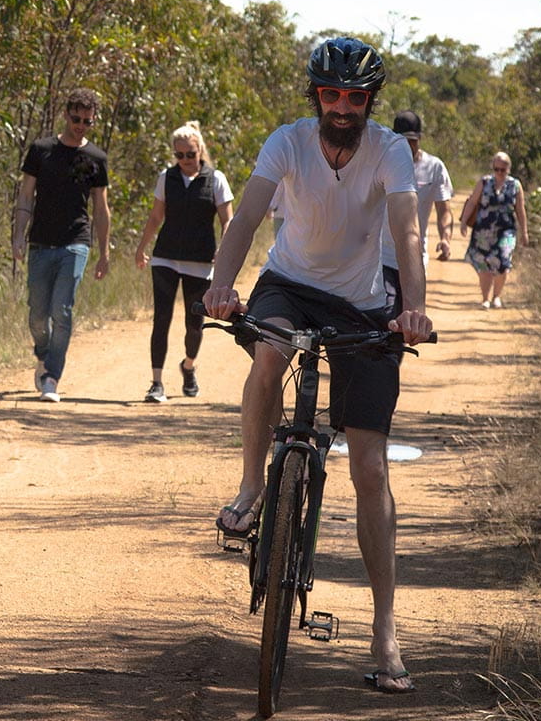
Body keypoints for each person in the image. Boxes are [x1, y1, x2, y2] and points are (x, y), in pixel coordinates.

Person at [202, 37, 434, 695]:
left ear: (369, 102)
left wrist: (412, 307)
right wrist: (222, 284)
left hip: (363, 304)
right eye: (330, 94)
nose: (341, 107)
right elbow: (246, 216)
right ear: (315, 96)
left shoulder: (389, 150)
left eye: (354, 97)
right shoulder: (289, 141)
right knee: (268, 355)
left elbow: (407, 230)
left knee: (368, 467)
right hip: (289, 283)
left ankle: (385, 632)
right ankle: (251, 489)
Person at [13, 87, 111, 402]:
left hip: (76, 242)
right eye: (76, 118)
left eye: (87, 121)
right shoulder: (41, 150)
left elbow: (101, 208)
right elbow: (26, 196)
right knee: (37, 314)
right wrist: (18, 234)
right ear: (66, 114)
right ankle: (43, 354)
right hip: (40, 241)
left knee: (62, 310)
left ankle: (52, 376)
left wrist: (104, 251)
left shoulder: (96, 158)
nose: (81, 124)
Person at [131, 121, 234, 402]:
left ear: (199, 150)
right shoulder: (167, 177)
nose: (185, 161)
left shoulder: (216, 180)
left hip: (200, 261)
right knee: (161, 319)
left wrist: (224, 250)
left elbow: (228, 221)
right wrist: (142, 247)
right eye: (179, 155)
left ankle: (188, 366)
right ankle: (156, 383)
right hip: (165, 258)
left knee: (194, 324)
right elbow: (155, 217)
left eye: (190, 154)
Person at [381, 110, 455, 314]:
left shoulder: (434, 167)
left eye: (412, 141)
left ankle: (396, 346)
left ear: (420, 139)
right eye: (403, 140)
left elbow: (444, 210)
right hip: (381, 255)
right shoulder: (381, 163)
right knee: (387, 309)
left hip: (414, 255)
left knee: (410, 314)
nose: (408, 146)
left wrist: (446, 238)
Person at [457, 151, 529, 308]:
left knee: (503, 259)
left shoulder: (515, 185)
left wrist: (524, 232)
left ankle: (497, 296)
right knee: (484, 264)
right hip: (483, 232)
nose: (499, 173)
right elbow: (472, 203)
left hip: (506, 230)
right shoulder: (484, 182)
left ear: (508, 169)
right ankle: (485, 298)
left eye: (502, 170)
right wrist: (463, 222)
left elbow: (520, 210)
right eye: (496, 169)